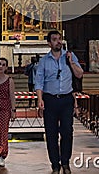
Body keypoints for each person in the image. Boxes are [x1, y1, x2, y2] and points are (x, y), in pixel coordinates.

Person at [35, 30, 83, 174]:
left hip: (66, 99)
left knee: (67, 131)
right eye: (54, 39)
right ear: (49, 43)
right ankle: (55, 163)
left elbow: (79, 74)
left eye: (59, 39)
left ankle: (66, 162)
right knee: (51, 133)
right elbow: (39, 83)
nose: (58, 41)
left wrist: (71, 62)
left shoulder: (70, 56)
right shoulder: (44, 61)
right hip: (50, 100)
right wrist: (40, 100)